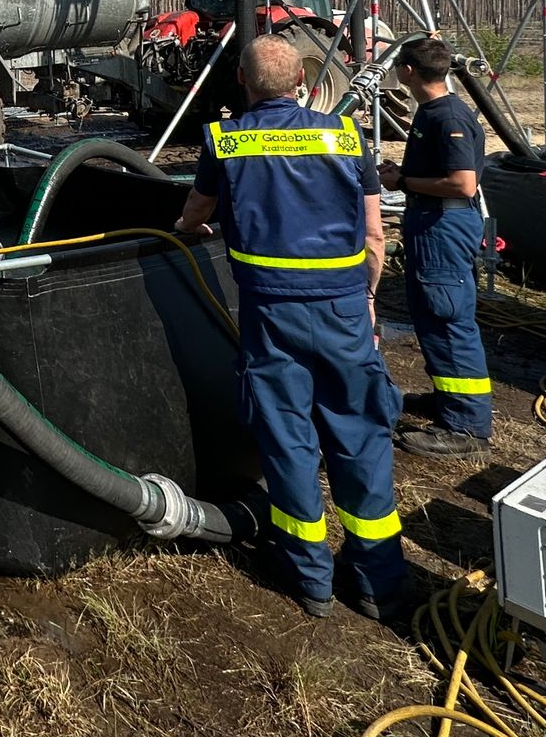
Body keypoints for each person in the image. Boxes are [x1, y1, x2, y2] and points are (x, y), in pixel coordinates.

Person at [173, 35, 408, 620]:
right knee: (360, 433)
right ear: (303, 80)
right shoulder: (346, 136)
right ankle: (377, 582)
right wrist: (368, 300)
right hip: (344, 310)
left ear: (243, 82)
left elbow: (195, 213)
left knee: (286, 437)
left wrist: (188, 230)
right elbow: (374, 235)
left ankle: (309, 578)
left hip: (271, 316)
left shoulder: (226, 140)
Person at [378, 37, 494, 457]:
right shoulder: (431, 112)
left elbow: (463, 183)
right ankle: (451, 399)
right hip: (431, 222)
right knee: (432, 315)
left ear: (408, 71)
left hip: (444, 225)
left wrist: (403, 182)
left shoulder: (448, 116)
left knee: (448, 319)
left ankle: (467, 429)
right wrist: (403, 174)